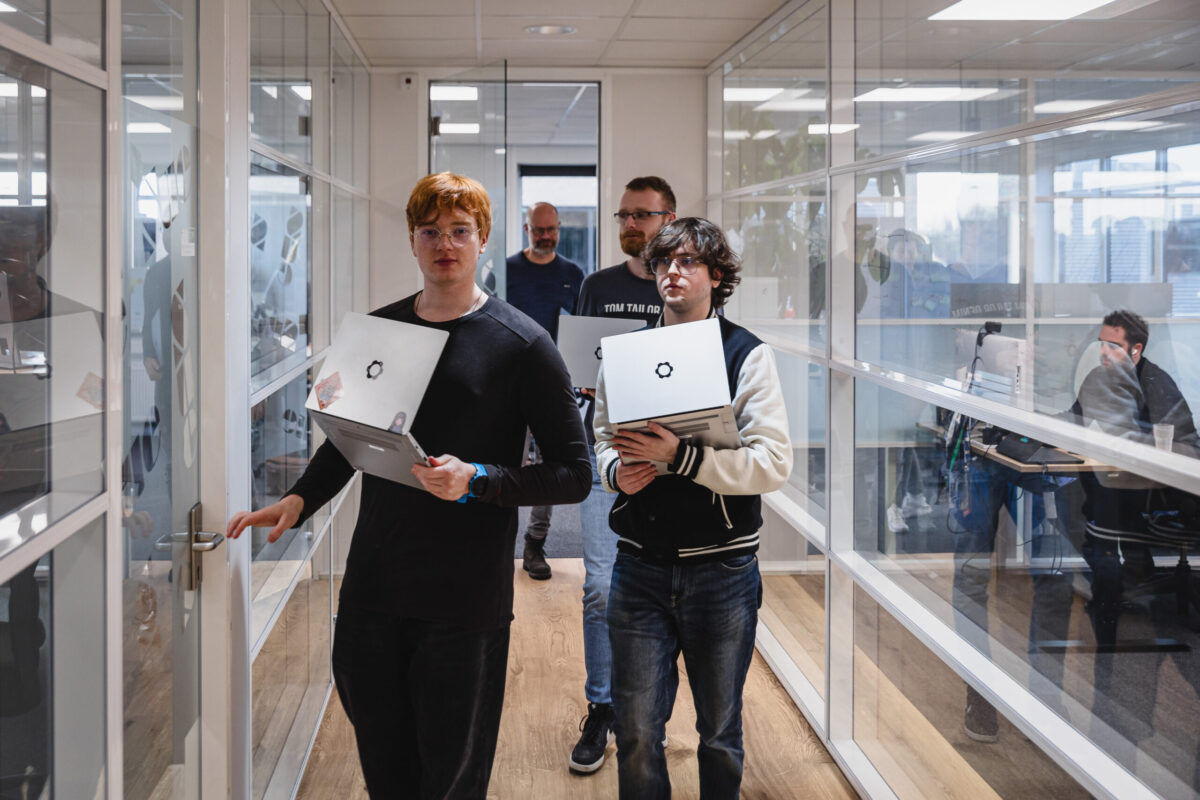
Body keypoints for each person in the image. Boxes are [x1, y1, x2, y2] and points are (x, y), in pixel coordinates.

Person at [226, 173, 592, 799]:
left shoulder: (524, 344)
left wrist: (478, 479)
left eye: (459, 231)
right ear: (413, 241)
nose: (444, 244)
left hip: (463, 596)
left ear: (483, 240)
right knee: (386, 764)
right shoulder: (377, 331)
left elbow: (575, 474)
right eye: (431, 232)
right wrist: (299, 500)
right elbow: (349, 438)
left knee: (449, 775)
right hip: (376, 583)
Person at [593, 217, 792, 798]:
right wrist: (615, 471)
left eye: (687, 262)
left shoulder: (747, 355)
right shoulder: (626, 354)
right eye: (662, 263)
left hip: (722, 570)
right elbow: (602, 435)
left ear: (717, 275)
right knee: (634, 730)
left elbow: (772, 463)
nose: (671, 272)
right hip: (639, 565)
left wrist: (681, 459)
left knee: (719, 732)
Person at [567, 175, 673, 774]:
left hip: (674, 461)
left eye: (644, 215)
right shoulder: (597, 285)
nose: (632, 225)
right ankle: (602, 706)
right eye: (625, 216)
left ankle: (649, 711)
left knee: (669, 592)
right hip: (607, 453)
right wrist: (582, 381)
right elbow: (581, 366)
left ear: (670, 218)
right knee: (601, 587)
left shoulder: (687, 284)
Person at [504, 202, 585, 581]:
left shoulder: (572, 273)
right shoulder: (506, 270)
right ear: (527, 229)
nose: (546, 236)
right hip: (505, 377)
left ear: (559, 228)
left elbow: (583, 329)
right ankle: (498, 539)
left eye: (551, 229)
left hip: (551, 379)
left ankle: (535, 542)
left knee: (548, 465)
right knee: (503, 458)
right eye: (539, 230)